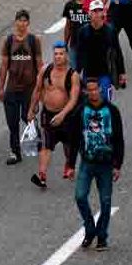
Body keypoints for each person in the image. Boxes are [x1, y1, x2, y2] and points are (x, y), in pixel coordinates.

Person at [69, 77, 125, 250]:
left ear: (101, 89)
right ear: (85, 91)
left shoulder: (112, 110)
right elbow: (74, 139)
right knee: (80, 196)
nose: (93, 93)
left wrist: (118, 165)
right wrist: (70, 164)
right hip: (87, 162)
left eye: (96, 89)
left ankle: (102, 236)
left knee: (106, 201)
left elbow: (119, 139)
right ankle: (90, 228)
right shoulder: (81, 110)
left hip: (106, 164)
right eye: (90, 90)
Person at [29, 42, 81, 191]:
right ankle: (42, 175)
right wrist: (32, 109)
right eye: (56, 54)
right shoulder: (46, 70)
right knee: (46, 145)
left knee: (68, 144)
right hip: (47, 114)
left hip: (66, 115)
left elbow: (73, 99)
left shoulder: (73, 75)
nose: (58, 57)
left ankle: (69, 164)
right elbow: (37, 90)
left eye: (61, 54)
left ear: (66, 55)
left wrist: (62, 114)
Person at [0, 11, 42, 166]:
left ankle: (36, 137)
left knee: (27, 117)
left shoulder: (33, 40)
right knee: (12, 122)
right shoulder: (8, 41)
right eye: (19, 20)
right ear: (15, 22)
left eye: (25, 21)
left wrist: (39, 89)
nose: (22, 23)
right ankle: (15, 151)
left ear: (28, 23)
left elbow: (39, 65)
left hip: (29, 88)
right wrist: (1, 87)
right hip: (12, 88)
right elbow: (4, 65)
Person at [75, 0, 129, 97]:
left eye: (99, 10)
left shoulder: (110, 31)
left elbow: (117, 51)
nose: (96, 13)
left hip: (105, 73)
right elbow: (79, 53)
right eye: (94, 11)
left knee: (105, 100)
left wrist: (122, 72)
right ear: (89, 13)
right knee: (90, 101)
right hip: (89, 73)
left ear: (103, 13)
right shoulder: (83, 32)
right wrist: (77, 72)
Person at [61, 0, 93, 71]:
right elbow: (68, 26)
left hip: (89, 44)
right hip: (74, 44)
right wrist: (65, 43)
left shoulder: (91, 4)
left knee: (89, 70)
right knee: (74, 71)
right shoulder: (69, 5)